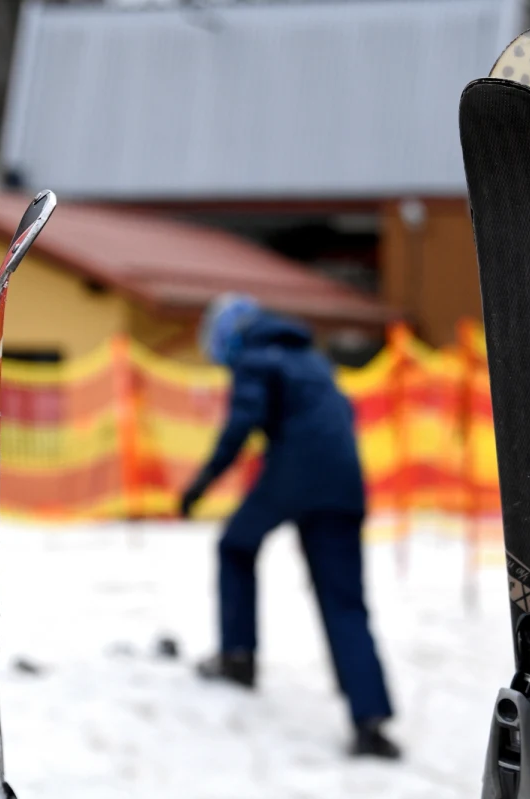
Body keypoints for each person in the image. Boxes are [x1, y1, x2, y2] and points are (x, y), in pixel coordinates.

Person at [179, 293, 400, 760]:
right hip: (345, 482)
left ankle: (238, 656)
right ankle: (370, 721)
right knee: (344, 600)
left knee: (234, 546)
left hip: (296, 474)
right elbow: (341, 416)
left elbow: (241, 424)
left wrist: (200, 484)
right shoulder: (312, 359)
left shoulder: (256, 357)